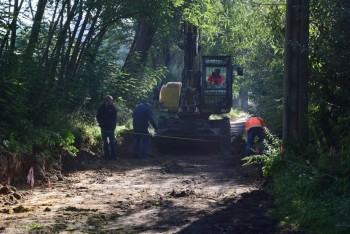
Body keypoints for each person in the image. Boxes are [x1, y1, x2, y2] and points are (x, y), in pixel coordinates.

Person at [96, 95, 117, 160]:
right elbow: (98, 117)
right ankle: (106, 156)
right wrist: (100, 124)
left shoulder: (113, 108)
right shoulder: (101, 107)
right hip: (103, 128)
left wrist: (113, 127)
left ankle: (113, 156)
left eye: (111, 101)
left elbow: (115, 119)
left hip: (111, 128)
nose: (111, 102)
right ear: (106, 101)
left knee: (112, 142)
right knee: (105, 142)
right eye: (110, 101)